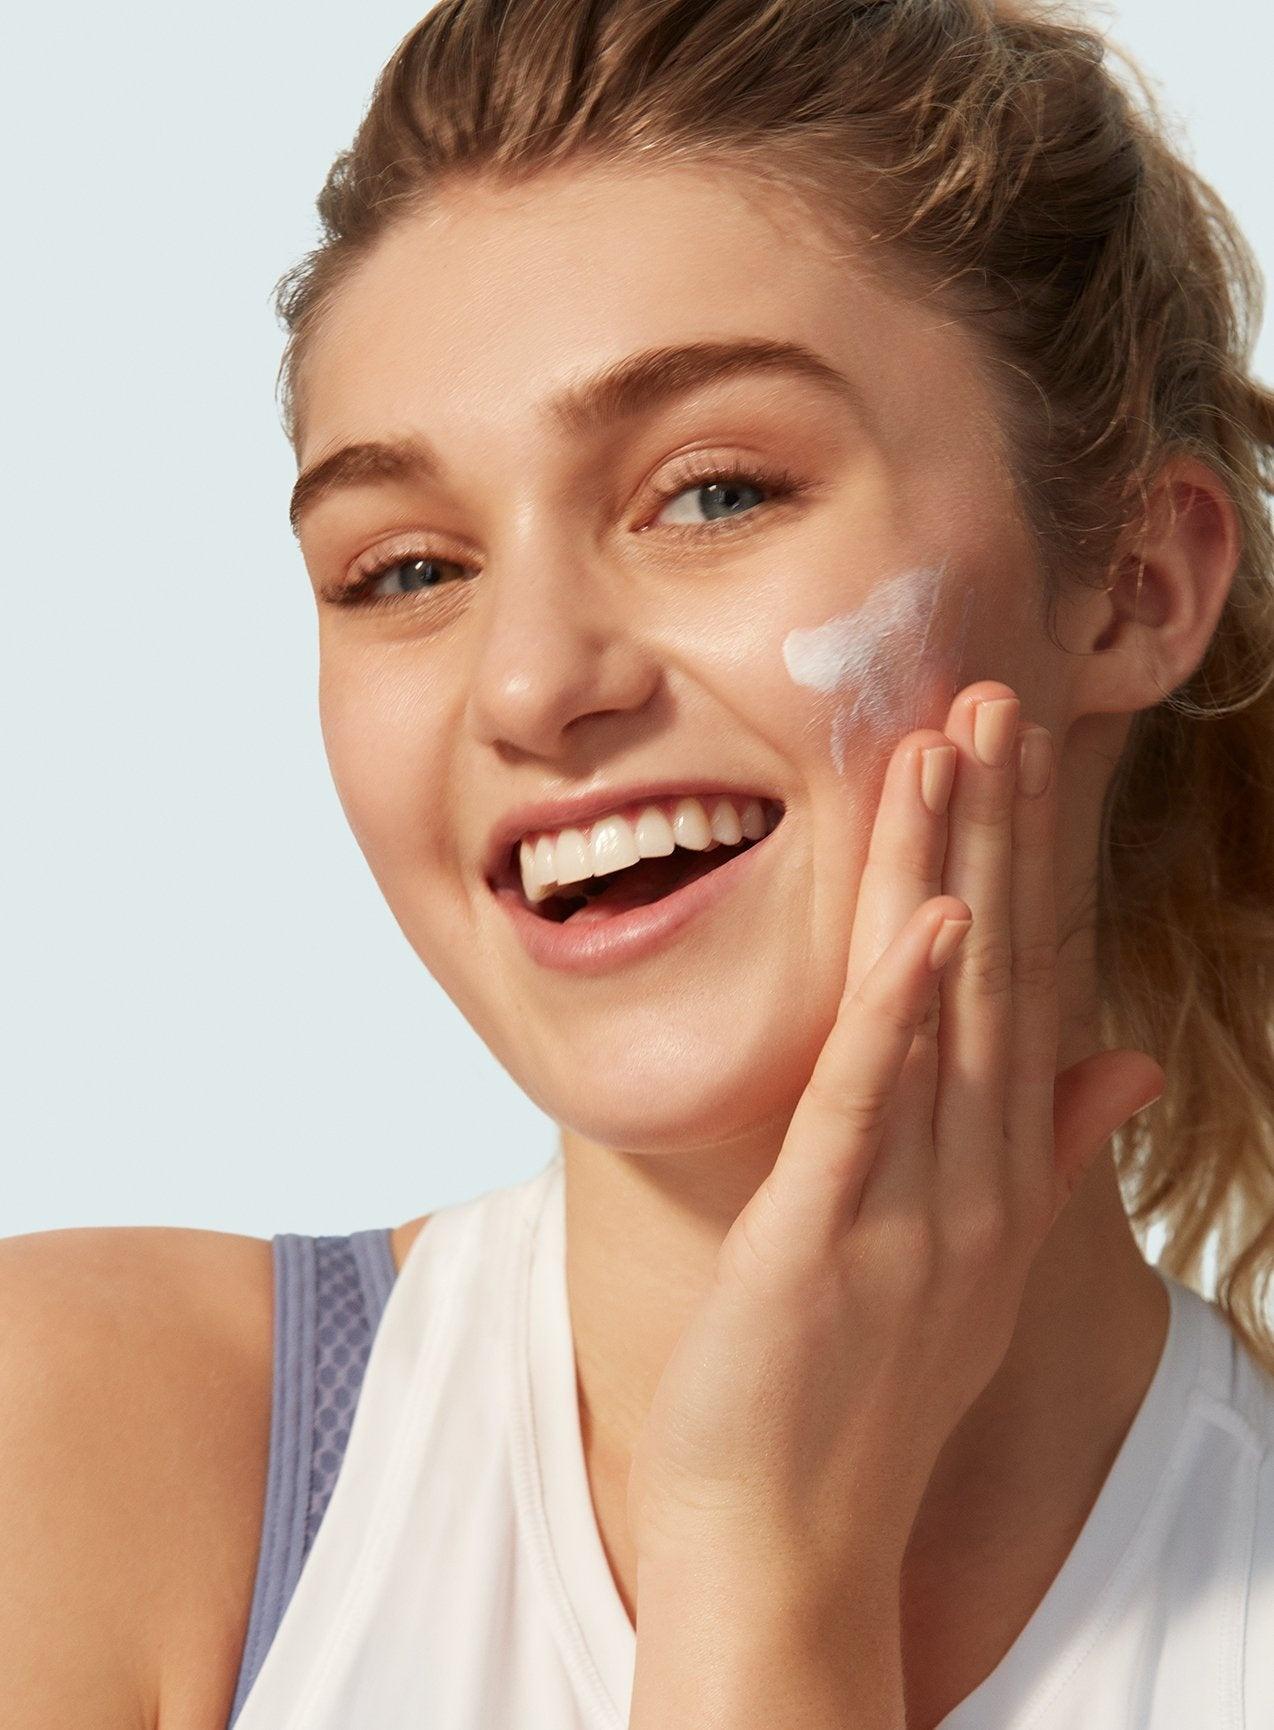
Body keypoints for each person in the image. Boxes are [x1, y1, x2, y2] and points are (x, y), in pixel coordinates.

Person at [4, 0, 1273, 1724]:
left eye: (715, 492)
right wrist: (763, 1554)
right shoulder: (84, 1446)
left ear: (1133, 580)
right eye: (402, 571)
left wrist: (770, 1559)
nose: (529, 680)